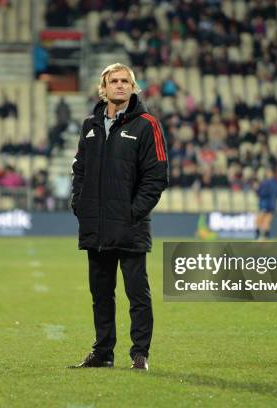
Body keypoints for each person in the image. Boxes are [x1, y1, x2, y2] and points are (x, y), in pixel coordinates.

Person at [69, 63, 168, 371]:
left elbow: (157, 176)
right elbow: (79, 171)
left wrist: (132, 213)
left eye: (126, 81)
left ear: (133, 87)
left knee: (137, 294)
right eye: (115, 81)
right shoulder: (90, 125)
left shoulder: (147, 124)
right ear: (104, 87)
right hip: (97, 226)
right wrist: (80, 204)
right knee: (101, 294)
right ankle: (103, 352)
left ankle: (140, 353)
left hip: (130, 227)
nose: (121, 85)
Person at [255, 167, 277, 240]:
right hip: (273, 204)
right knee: (267, 221)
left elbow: (261, 193)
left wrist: (256, 189)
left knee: (260, 220)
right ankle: (266, 236)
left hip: (265, 204)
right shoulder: (276, 182)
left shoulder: (265, 182)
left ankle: (258, 236)